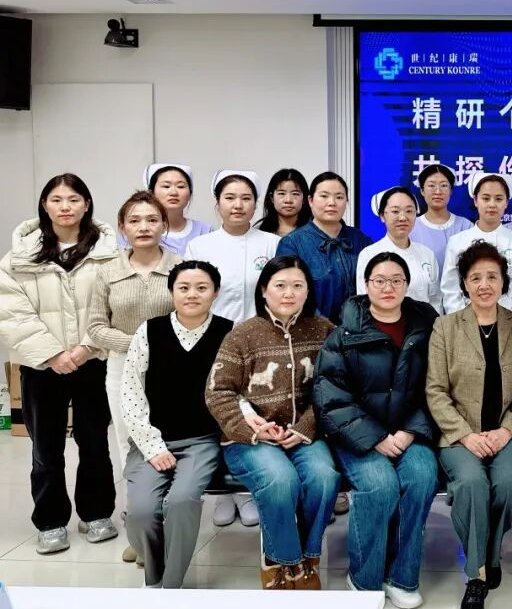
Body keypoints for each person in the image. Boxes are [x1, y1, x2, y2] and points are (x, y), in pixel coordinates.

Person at [0, 173, 119, 554]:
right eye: (56, 199)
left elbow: (117, 304)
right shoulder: (19, 256)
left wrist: (86, 347)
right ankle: (50, 521)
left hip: (94, 360)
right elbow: (11, 311)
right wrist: (52, 354)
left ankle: (96, 513)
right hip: (41, 367)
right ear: (44, 205)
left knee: (95, 442)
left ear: (87, 204)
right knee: (45, 447)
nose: (65, 207)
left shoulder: (110, 252)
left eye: (73, 199)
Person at [206, 256, 340, 590]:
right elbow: (218, 392)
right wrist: (252, 427)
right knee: (280, 480)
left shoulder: (324, 330)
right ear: (264, 290)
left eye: (297, 285)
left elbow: (337, 387)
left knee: (324, 478)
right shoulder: (243, 334)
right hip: (252, 438)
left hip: (306, 435)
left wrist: (306, 428)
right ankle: (282, 562)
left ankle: (308, 557)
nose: (288, 293)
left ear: (308, 291)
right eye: (280, 285)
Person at [314, 252, 439, 608]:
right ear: (366, 285)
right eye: (379, 281)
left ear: (407, 285)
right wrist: (376, 437)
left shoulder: (427, 327)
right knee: (380, 485)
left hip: (410, 431)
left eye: (396, 280)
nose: (388, 288)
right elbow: (331, 397)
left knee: (421, 476)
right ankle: (364, 579)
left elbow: (438, 386)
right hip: (357, 437)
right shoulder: (344, 333)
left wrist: (410, 431)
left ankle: (402, 576)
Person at [426, 241, 512, 609]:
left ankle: (491, 551)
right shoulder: (445, 327)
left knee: (508, 485)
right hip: (459, 435)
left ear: (504, 282)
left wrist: (506, 430)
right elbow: (435, 390)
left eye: (492, 277)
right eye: (475, 278)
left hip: (507, 433)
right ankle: (477, 573)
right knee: (472, 485)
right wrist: (466, 435)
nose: (484, 285)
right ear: (464, 284)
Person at [121, 260, 232, 588]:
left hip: (202, 441)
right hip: (153, 439)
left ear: (215, 292)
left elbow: (238, 391)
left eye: (202, 288)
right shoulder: (149, 331)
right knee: (141, 512)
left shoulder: (229, 332)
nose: (192, 294)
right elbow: (131, 392)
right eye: (184, 288)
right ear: (172, 292)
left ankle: (169, 587)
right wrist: (152, 446)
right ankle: (154, 572)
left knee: (181, 501)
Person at [86, 190, 182, 563]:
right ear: (122, 226)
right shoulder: (107, 272)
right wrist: (139, 343)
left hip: (171, 370)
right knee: (130, 446)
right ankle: (138, 532)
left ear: (164, 225)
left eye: (152, 220)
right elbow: (96, 327)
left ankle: (165, 528)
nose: (144, 227)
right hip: (122, 369)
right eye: (135, 220)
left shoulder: (181, 267)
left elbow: (193, 317)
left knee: (168, 444)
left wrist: (159, 346)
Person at [276, 171, 373, 324]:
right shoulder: (292, 243)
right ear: (310, 200)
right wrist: (326, 327)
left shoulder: (362, 240)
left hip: (360, 330)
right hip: (311, 330)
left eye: (339, 197)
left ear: (347, 202)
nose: (332, 202)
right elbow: (288, 293)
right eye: (324, 196)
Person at [185, 170, 281, 324]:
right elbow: (190, 296)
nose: (238, 205)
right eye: (229, 198)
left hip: (263, 331)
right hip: (213, 332)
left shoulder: (273, 244)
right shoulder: (198, 247)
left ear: (255, 205)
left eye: (246, 198)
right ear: (218, 203)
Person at [441, 173, 512, 317]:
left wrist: (511, 321)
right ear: (475, 200)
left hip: (509, 321)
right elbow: (450, 290)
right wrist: (464, 322)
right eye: (485, 198)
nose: (492, 204)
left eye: (498, 199)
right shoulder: (457, 242)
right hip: (466, 321)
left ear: (506, 203)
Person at [357, 187, 442, 313]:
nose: (403, 218)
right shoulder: (369, 254)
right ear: (382, 216)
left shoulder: (426, 254)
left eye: (409, 211)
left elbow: (435, 299)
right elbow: (364, 301)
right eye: (395, 211)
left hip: (425, 323)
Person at [118, 164, 212, 254]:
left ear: (190, 193)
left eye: (180, 186)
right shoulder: (134, 230)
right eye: (166, 186)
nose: (173, 192)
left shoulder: (204, 230)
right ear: (151, 192)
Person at [411, 163, 473, 276]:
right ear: (422, 191)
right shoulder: (411, 226)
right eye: (431, 185)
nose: (438, 191)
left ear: (451, 191)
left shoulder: (465, 226)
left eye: (444, 185)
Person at [256, 168, 312, 237]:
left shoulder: (315, 232)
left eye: (295, 194)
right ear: (271, 198)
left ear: (304, 199)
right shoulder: (259, 232)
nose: (288, 200)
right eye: (282, 193)